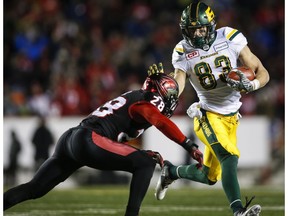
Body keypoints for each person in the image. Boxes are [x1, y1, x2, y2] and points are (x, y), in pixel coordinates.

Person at [4, 70, 203, 216]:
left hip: (72, 139)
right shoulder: (145, 101)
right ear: (159, 94)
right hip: (89, 139)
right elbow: (160, 121)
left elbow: (121, 135)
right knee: (145, 163)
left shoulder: (140, 96)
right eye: (169, 98)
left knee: (34, 189)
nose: (172, 102)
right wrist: (189, 145)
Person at [150, 1, 270, 216]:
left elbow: (261, 71)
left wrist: (252, 85)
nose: (196, 34)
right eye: (191, 29)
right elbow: (179, 78)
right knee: (230, 156)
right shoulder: (182, 50)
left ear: (211, 25)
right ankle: (238, 211)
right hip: (207, 114)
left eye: (201, 28)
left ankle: (171, 171)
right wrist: (171, 92)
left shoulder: (230, 37)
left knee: (209, 176)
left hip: (232, 115)